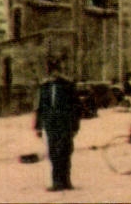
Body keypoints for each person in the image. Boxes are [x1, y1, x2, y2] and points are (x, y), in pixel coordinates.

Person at [34, 58, 81, 192]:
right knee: (54, 152)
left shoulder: (68, 86)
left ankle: (66, 181)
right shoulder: (45, 87)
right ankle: (56, 182)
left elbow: (76, 107)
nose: (55, 74)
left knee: (65, 151)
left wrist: (75, 126)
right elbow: (40, 107)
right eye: (52, 72)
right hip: (51, 124)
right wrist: (38, 126)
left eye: (57, 71)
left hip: (66, 123)